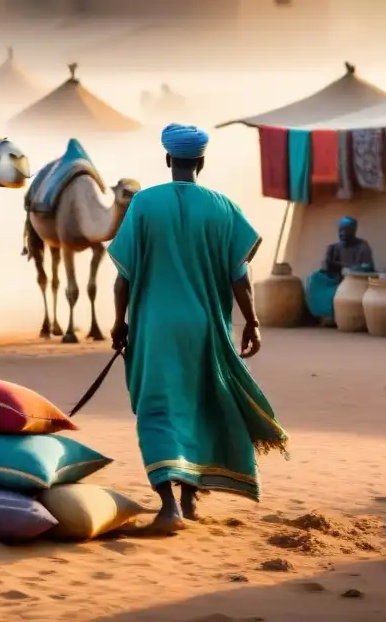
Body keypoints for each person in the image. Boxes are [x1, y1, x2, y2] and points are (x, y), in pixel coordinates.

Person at [108, 123, 288, 535]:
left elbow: (124, 277)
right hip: (206, 326)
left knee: (158, 410)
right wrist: (253, 322)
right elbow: (239, 276)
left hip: (155, 327)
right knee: (198, 404)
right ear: (201, 162)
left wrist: (119, 323)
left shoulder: (143, 205)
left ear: (168, 159)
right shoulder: (223, 207)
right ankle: (190, 500)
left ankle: (169, 504)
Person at [305, 216, 375, 320]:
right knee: (314, 278)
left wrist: (349, 269)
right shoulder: (334, 247)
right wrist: (328, 264)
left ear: (353, 231)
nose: (342, 233)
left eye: (346, 230)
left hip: (352, 280)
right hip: (335, 278)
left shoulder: (362, 246)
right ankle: (322, 316)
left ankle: (335, 317)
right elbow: (328, 268)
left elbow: (368, 266)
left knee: (343, 289)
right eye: (340, 230)